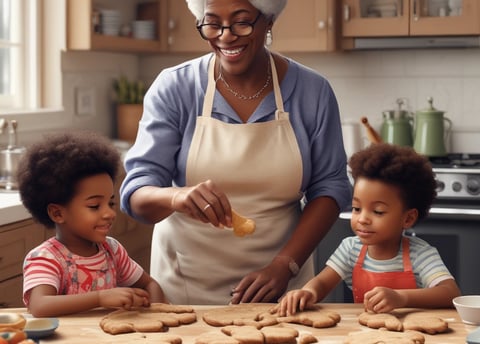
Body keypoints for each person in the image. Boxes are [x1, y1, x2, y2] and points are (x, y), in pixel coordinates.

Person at [120, 0, 351, 305]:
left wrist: (285, 265)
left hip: (281, 288)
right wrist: (176, 197)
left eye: (241, 22)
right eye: (212, 23)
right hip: (185, 286)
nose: (225, 36)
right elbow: (137, 193)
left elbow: (330, 189)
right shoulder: (176, 87)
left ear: (268, 20)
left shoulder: (313, 91)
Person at [277, 143, 462, 316]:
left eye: (378, 211)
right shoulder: (351, 249)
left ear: (408, 218)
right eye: (357, 208)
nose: (363, 219)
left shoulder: (420, 254)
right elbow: (322, 283)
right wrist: (307, 292)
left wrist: (401, 298)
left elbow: (450, 292)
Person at [17, 131, 167, 317]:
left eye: (110, 203)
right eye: (95, 206)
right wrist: (100, 298)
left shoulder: (112, 250)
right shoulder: (46, 258)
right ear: (57, 213)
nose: (110, 213)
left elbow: (150, 284)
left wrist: (158, 314)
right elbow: (39, 306)